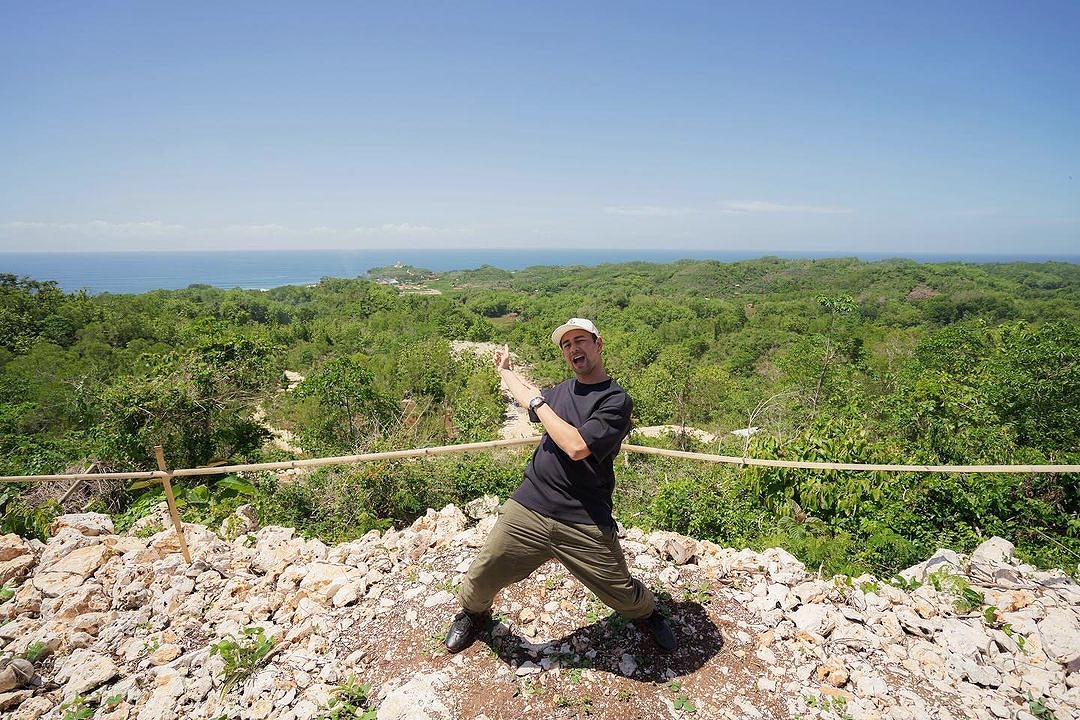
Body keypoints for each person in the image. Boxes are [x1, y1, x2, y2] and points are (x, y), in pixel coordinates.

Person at [444, 318, 677, 653]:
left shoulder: (615, 401)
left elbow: (576, 445)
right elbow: (528, 396)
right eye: (566, 345)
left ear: (599, 343)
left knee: (621, 592)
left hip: (583, 516)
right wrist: (506, 371)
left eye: (580, 340)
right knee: (483, 573)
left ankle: (647, 613)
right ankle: (473, 614)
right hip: (531, 504)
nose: (573, 349)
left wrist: (539, 404)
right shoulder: (559, 392)